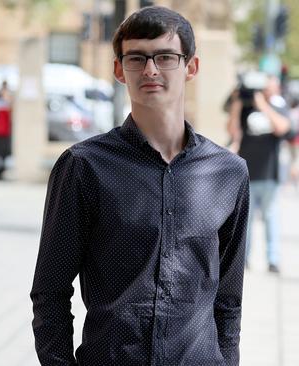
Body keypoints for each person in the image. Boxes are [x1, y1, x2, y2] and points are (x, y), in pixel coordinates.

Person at [30, 6, 249, 365]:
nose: (150, 70)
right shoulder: (84, 166)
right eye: (136, 58)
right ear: (119, 70)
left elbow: (228, 301)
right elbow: (50, 292)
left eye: (165, 57)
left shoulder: (228, 173)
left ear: (190, 67)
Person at [228, 74, 292, 273]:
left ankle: (273, 259)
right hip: (246, 173)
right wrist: (238, 104)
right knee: (245, 221)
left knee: (271, 217)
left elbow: (283, 128)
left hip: (269, 174)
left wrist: (263, 105)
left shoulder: (278, 106)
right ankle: (243, 259)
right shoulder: (246, 107)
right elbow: (232, 131)